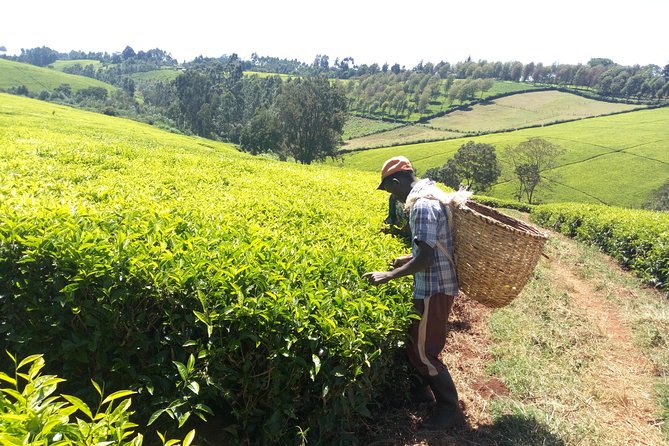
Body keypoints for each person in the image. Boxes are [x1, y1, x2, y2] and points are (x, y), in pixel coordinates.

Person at [363, 156, 465, 431]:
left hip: (434, 287)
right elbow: (429, 247)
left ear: (396, 182)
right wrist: (408, 257)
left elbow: (427, 259)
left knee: (424, 352)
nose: (391, 196)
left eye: (389, 190)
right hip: (436, 285)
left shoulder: (420, 206)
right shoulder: (431, 196)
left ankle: (448, 408)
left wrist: (389, 275)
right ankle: (423, 393)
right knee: (419, 342)